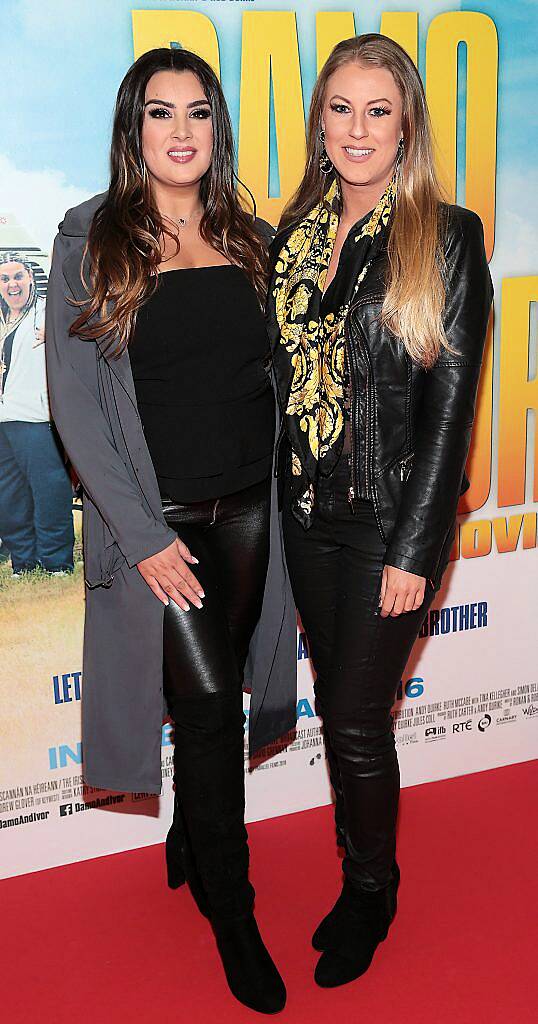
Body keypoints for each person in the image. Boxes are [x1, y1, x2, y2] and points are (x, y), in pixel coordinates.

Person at [45, 47, 297, 1015]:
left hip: (252, 513)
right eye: (160, 112)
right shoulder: (92, 239)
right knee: (202, 710)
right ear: (131, 127)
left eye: (198, 112)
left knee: (222, 690)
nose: (181, 131)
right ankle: (233, 910)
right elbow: (75, 407)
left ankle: (191, 833)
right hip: (167, 528)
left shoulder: (251, 238)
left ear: (215, 128)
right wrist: (144, 534)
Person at [267, 33, 493, 989]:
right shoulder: (296, 234)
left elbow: (449, 414)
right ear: (319, 122)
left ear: (407, 127)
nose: (357, 130)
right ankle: (360, 869)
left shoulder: (443, 234)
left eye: (378, 111)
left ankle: (370, 889)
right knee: (343, 714)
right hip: (302, 513)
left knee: (358, 722)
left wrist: (414, 547)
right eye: (340, 109)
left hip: (387, 524)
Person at [0, 251, 74, 575]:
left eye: (18, 276)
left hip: (36, 418)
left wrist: (56, 333)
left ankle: (56, 562)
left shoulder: (47, 313)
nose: (12, 284)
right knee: (10, 498)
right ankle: (24, 563)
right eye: (4, 279)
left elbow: (79, 326)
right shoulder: (3, 322)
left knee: (49, 491)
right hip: (4, 421)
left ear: (31, 278)